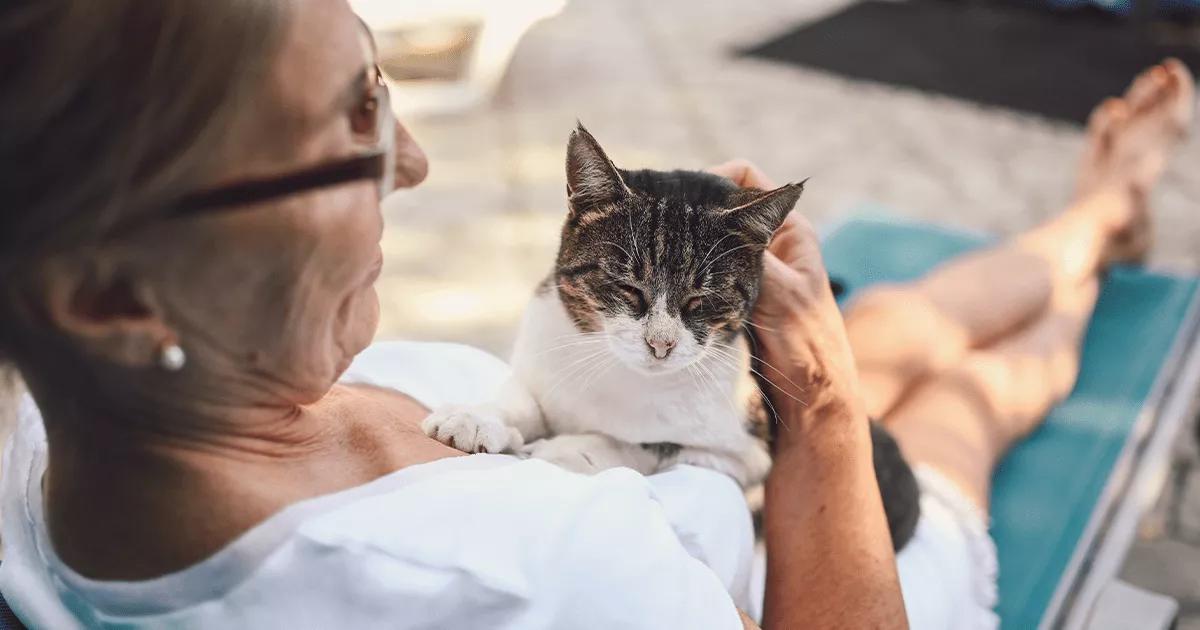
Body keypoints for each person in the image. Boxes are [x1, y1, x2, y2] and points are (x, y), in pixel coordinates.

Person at [0, 1, 1192, 628]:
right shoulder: (534, 581)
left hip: (689, 439)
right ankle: (1096, 250)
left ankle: (1089, 219)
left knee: (896, 324)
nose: (411, 162)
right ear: (109, 296)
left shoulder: (51, 440)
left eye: (382, 85)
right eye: (350, 124)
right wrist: (824, 406)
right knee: (959, 412)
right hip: (840, 552)